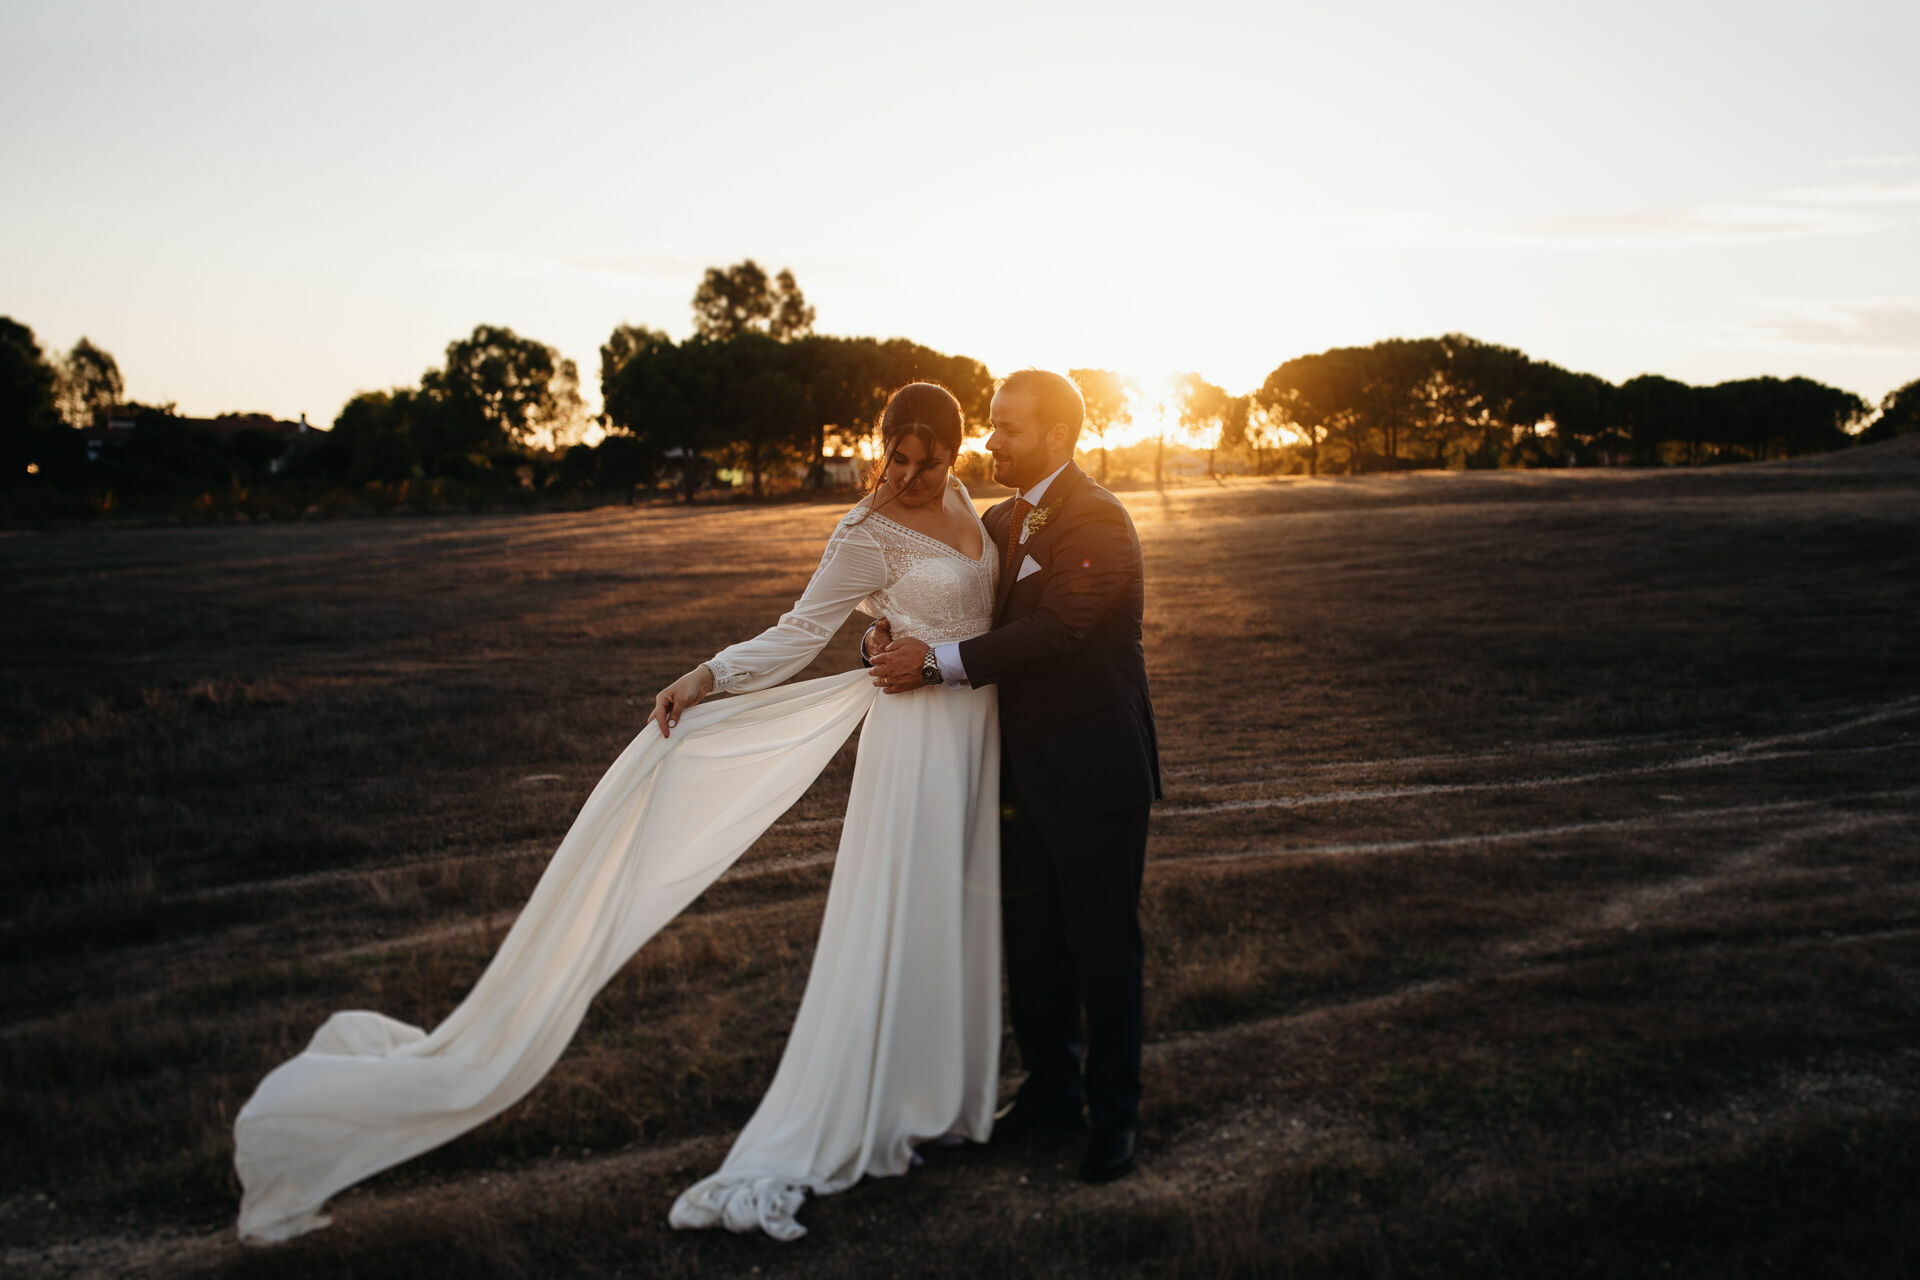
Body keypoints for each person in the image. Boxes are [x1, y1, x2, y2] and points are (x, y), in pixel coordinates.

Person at [231, 383, 1001, 1244]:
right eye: (899, 458)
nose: (912, 477)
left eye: (931, 462)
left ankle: (944, 1101)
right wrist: (707, 675)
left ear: (957, 453)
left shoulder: (969, 505)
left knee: (959, 912)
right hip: (915, 746)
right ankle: (884, 1108)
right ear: (882, 446)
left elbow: (972, 613)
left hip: (976, 728)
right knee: (907, 914)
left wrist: (900, 637)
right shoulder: (865, 533)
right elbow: (795, 633)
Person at [869, 368, 1160, 1184]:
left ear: (1058, 437)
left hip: (1094, 773)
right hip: (1011, 776)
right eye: (992, 424)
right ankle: (1050, 1094)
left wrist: (934, 665)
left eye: (1008, 429)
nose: (990, 441)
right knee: (1031, 950)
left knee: (1101, 951)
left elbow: (1060, 630)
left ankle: (1114, 1116)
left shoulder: (1099, 518)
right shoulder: (997, 520)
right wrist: (885, 638)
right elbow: (951, 609)